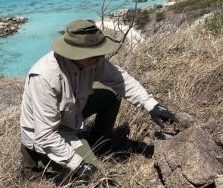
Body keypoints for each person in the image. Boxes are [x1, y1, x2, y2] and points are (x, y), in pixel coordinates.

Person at [20, 19, 177, 182]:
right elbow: (45, 135)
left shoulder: (93, 61)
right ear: (74, 54)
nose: (101, 56)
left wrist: (151, 105)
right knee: (96, 179)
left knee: (112, 95)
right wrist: (78, 164)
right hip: (47, 134)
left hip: (70, 112)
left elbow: (120, 80)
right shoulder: (45, 77)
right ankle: (36, 159)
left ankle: (99, 143)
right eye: (95, 53)